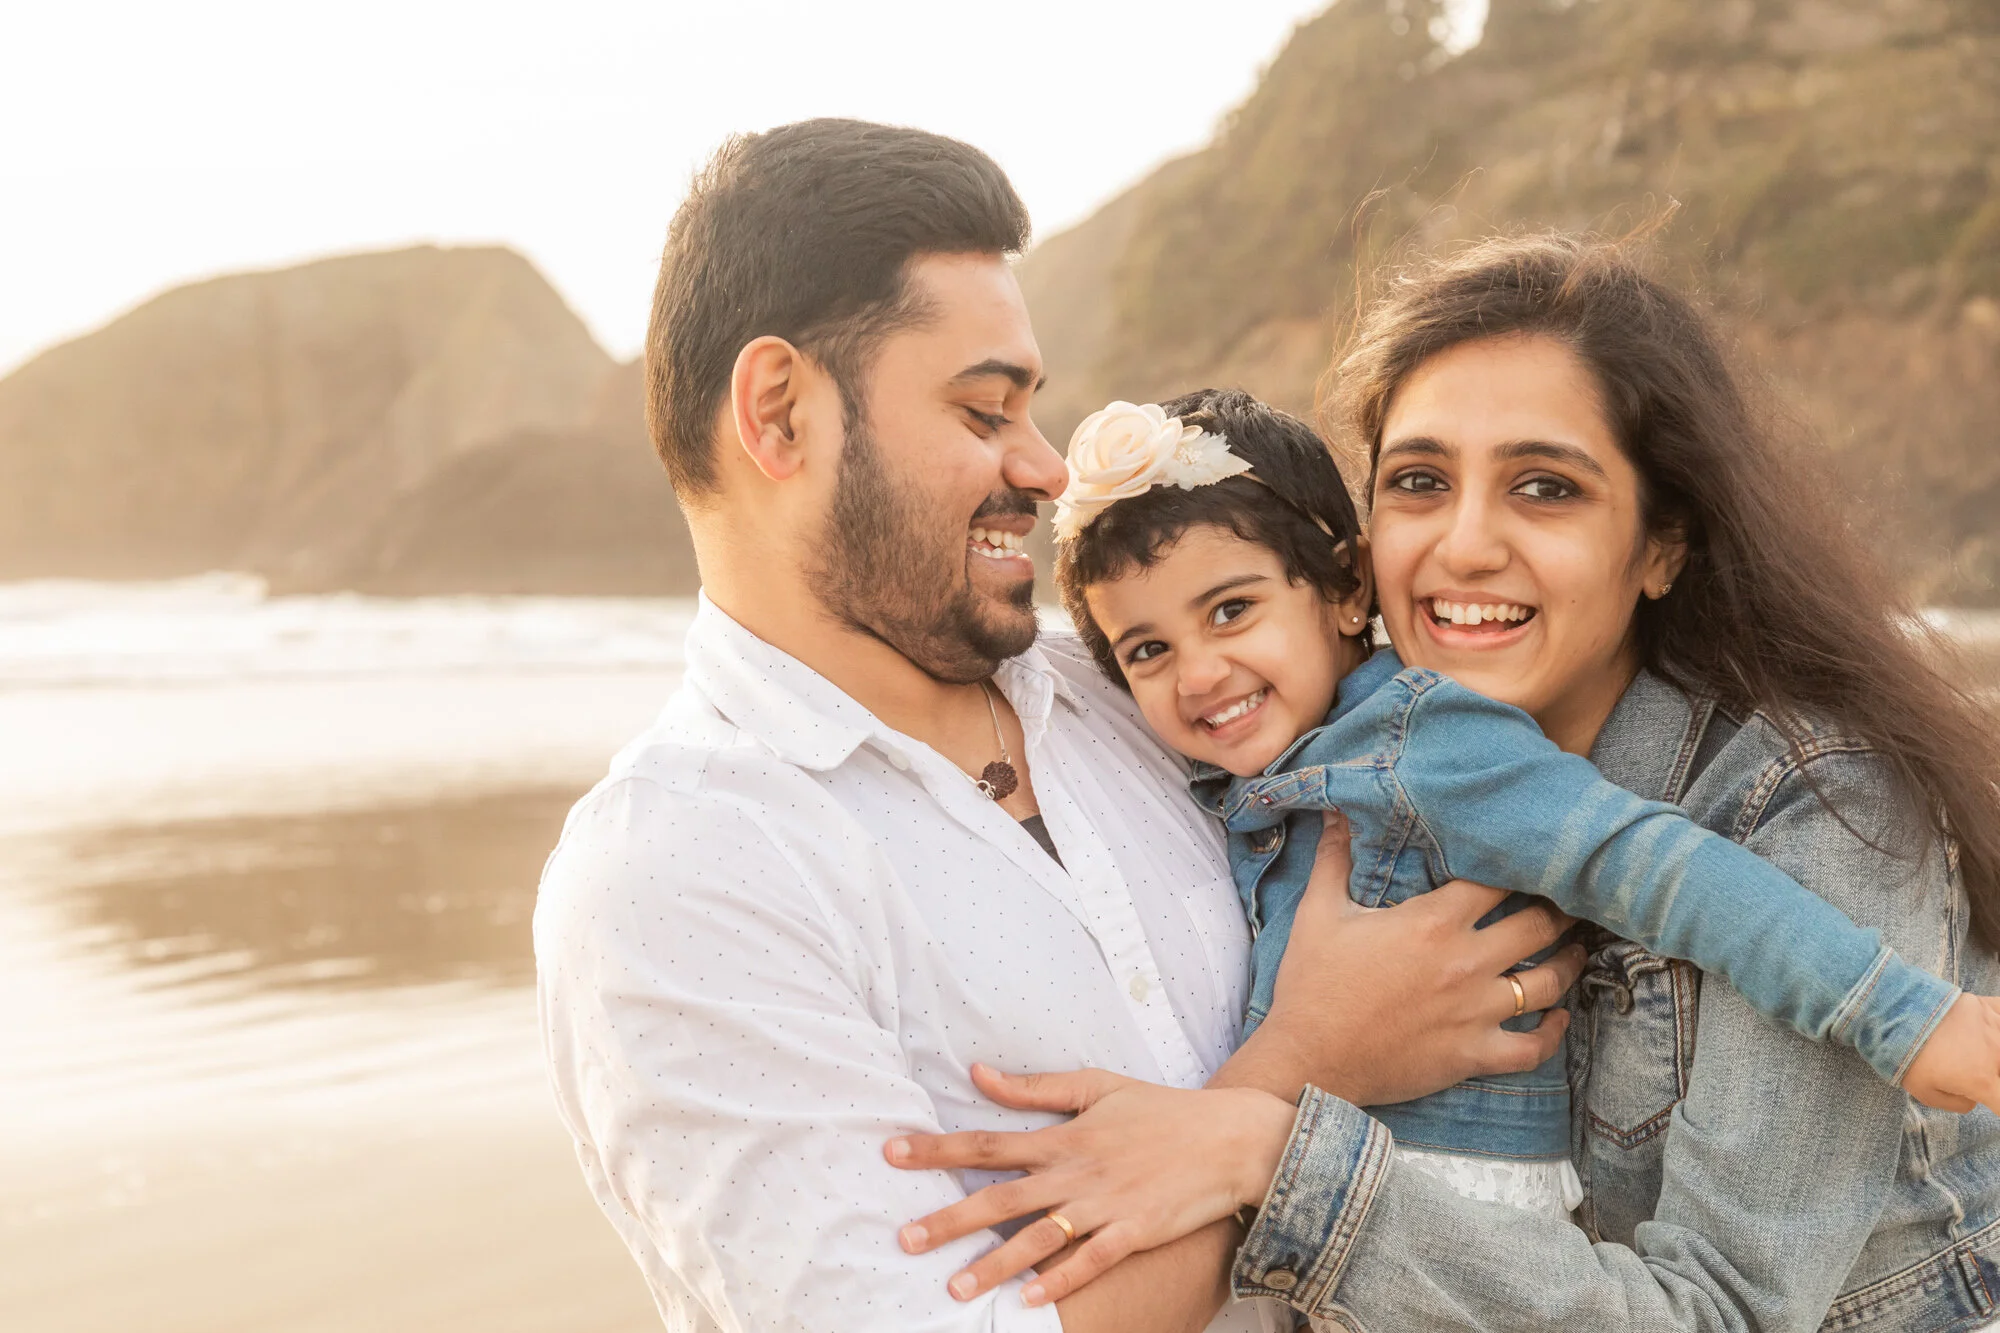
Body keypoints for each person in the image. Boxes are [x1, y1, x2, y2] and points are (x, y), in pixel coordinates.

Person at [532, 120, 1581, 1333]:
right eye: (984, 413)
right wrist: (1305, 1063)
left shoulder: (1138, 690)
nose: (1043, 468)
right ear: (778, 413)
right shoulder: (679, 869)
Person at [888, 233, 2000, 1331]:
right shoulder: (1283, 758)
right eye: (1418, 482)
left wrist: (1262, 1147)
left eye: (1544, 487)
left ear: (1659, 544)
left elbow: (1719, 1318)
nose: (1464, 546)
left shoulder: (1813, 812)